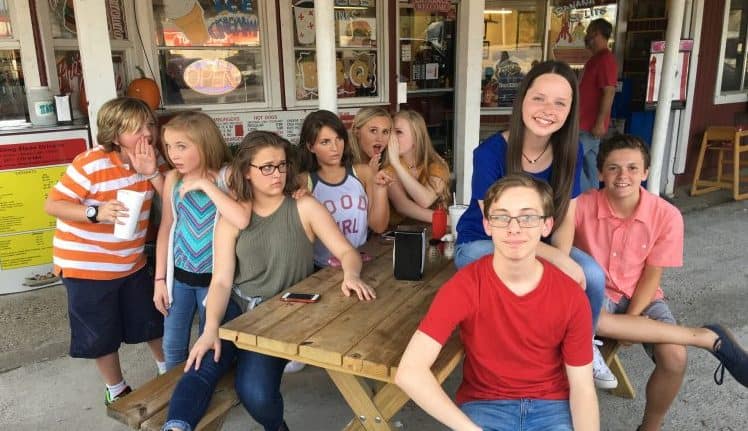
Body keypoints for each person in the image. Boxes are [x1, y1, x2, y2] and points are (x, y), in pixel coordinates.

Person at [162, 131, 376, 431]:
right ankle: (175, 427)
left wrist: (351, 274)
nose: (277, 174)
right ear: (247, 172)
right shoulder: (233, 216)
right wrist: (211, 328)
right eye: (266, 167)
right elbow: (221, 281)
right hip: (236, 307)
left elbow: (346, 252)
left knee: (255, 392)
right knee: (201, 364)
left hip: (281, 314)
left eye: (282, 165)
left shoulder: (304, 207)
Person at [453, 60, 615, 387]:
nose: (547, 110)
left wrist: (562, 259)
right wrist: (556, 261)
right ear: (522, 100)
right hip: (484, 242)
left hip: (541, 242)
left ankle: (583, 344)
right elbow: (499, 225)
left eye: (560, 102)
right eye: (539, 98)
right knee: (509, 266)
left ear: (571, 110)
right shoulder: (490, 152)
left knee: (593, 276)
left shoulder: (570, 149)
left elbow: (566, 216)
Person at [395, 174, 599, 431]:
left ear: (546, 225)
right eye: (501, 217)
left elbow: (582, 388)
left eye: (527, 217)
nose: (514, 228)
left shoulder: (570, 296)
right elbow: (410, 371)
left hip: (551, 408)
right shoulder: (465, 286)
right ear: (487, 225)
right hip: (485, 406)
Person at [575, 134, 748, 430]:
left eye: (632, 168)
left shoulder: (666, 215)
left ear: (645, 172)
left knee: (674, 357)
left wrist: (631, 320)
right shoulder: (581, 206)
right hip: (597, 295)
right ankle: (705, 336)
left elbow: (652, 274)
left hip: (642, 295)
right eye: (613, 168)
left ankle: (650, 427)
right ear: (601, 173)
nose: (623, 176)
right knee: (588, 319)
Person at [44, 97, 166, 405]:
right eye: (136, 129)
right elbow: (53, 205)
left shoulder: (152, 157)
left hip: (132, 261)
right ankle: (116, 389)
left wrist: (152, 172)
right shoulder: (90, 162)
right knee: (101, 333)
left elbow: (173, 199)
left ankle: (169, 371)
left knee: (151, 321)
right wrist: (95, 213)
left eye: (149, 125)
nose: (147, 134)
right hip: (86, 265)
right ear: (115, 134)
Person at [153, 111, 252, 371]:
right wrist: (160, 280)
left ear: (205, 144)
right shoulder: (173, 179)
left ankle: (200, 385)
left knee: (209, 343)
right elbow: (166, 227)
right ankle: (171, 387)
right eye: (168, 146)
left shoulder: (226, 177)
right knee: (172, 345)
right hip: (179, 279)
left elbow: (242, 219)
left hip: (215, 281)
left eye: (182, 146)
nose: (173, 154)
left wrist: (207, 186)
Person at [297, 109, 390, 268]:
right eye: (325, 142)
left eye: (338, 139)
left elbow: (378, 226)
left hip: (361, 261)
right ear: (311, 147)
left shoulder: (362, 172)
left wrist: (381, 189)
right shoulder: (304, 181)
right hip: (322, 269)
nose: (335, 147)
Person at [384, 109, 451, 225]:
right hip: (399, 232)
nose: (391, 137)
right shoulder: (389, 169)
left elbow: (425, 199)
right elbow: (402, 206)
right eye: (390, 132)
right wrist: (448, 220)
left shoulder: (436, 165)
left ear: (416, 137)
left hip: (435, 230)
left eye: (398, 132)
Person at [579, 18, 617, 191]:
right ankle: (594, 200)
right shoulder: (595, 59)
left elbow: (609, 91)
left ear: (596, 33)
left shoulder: (605, 59)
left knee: (568, 160)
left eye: (589, 33)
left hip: (589, 125)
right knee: (590, 165)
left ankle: (587, 196)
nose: (587, 37)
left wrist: (600, 122)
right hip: (585, 124)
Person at [349, 106, 392, 171]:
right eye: (373, 131)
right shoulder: (343, 167)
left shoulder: (392, 167)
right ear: (357, 131)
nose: (380, 139)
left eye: (385, 132)